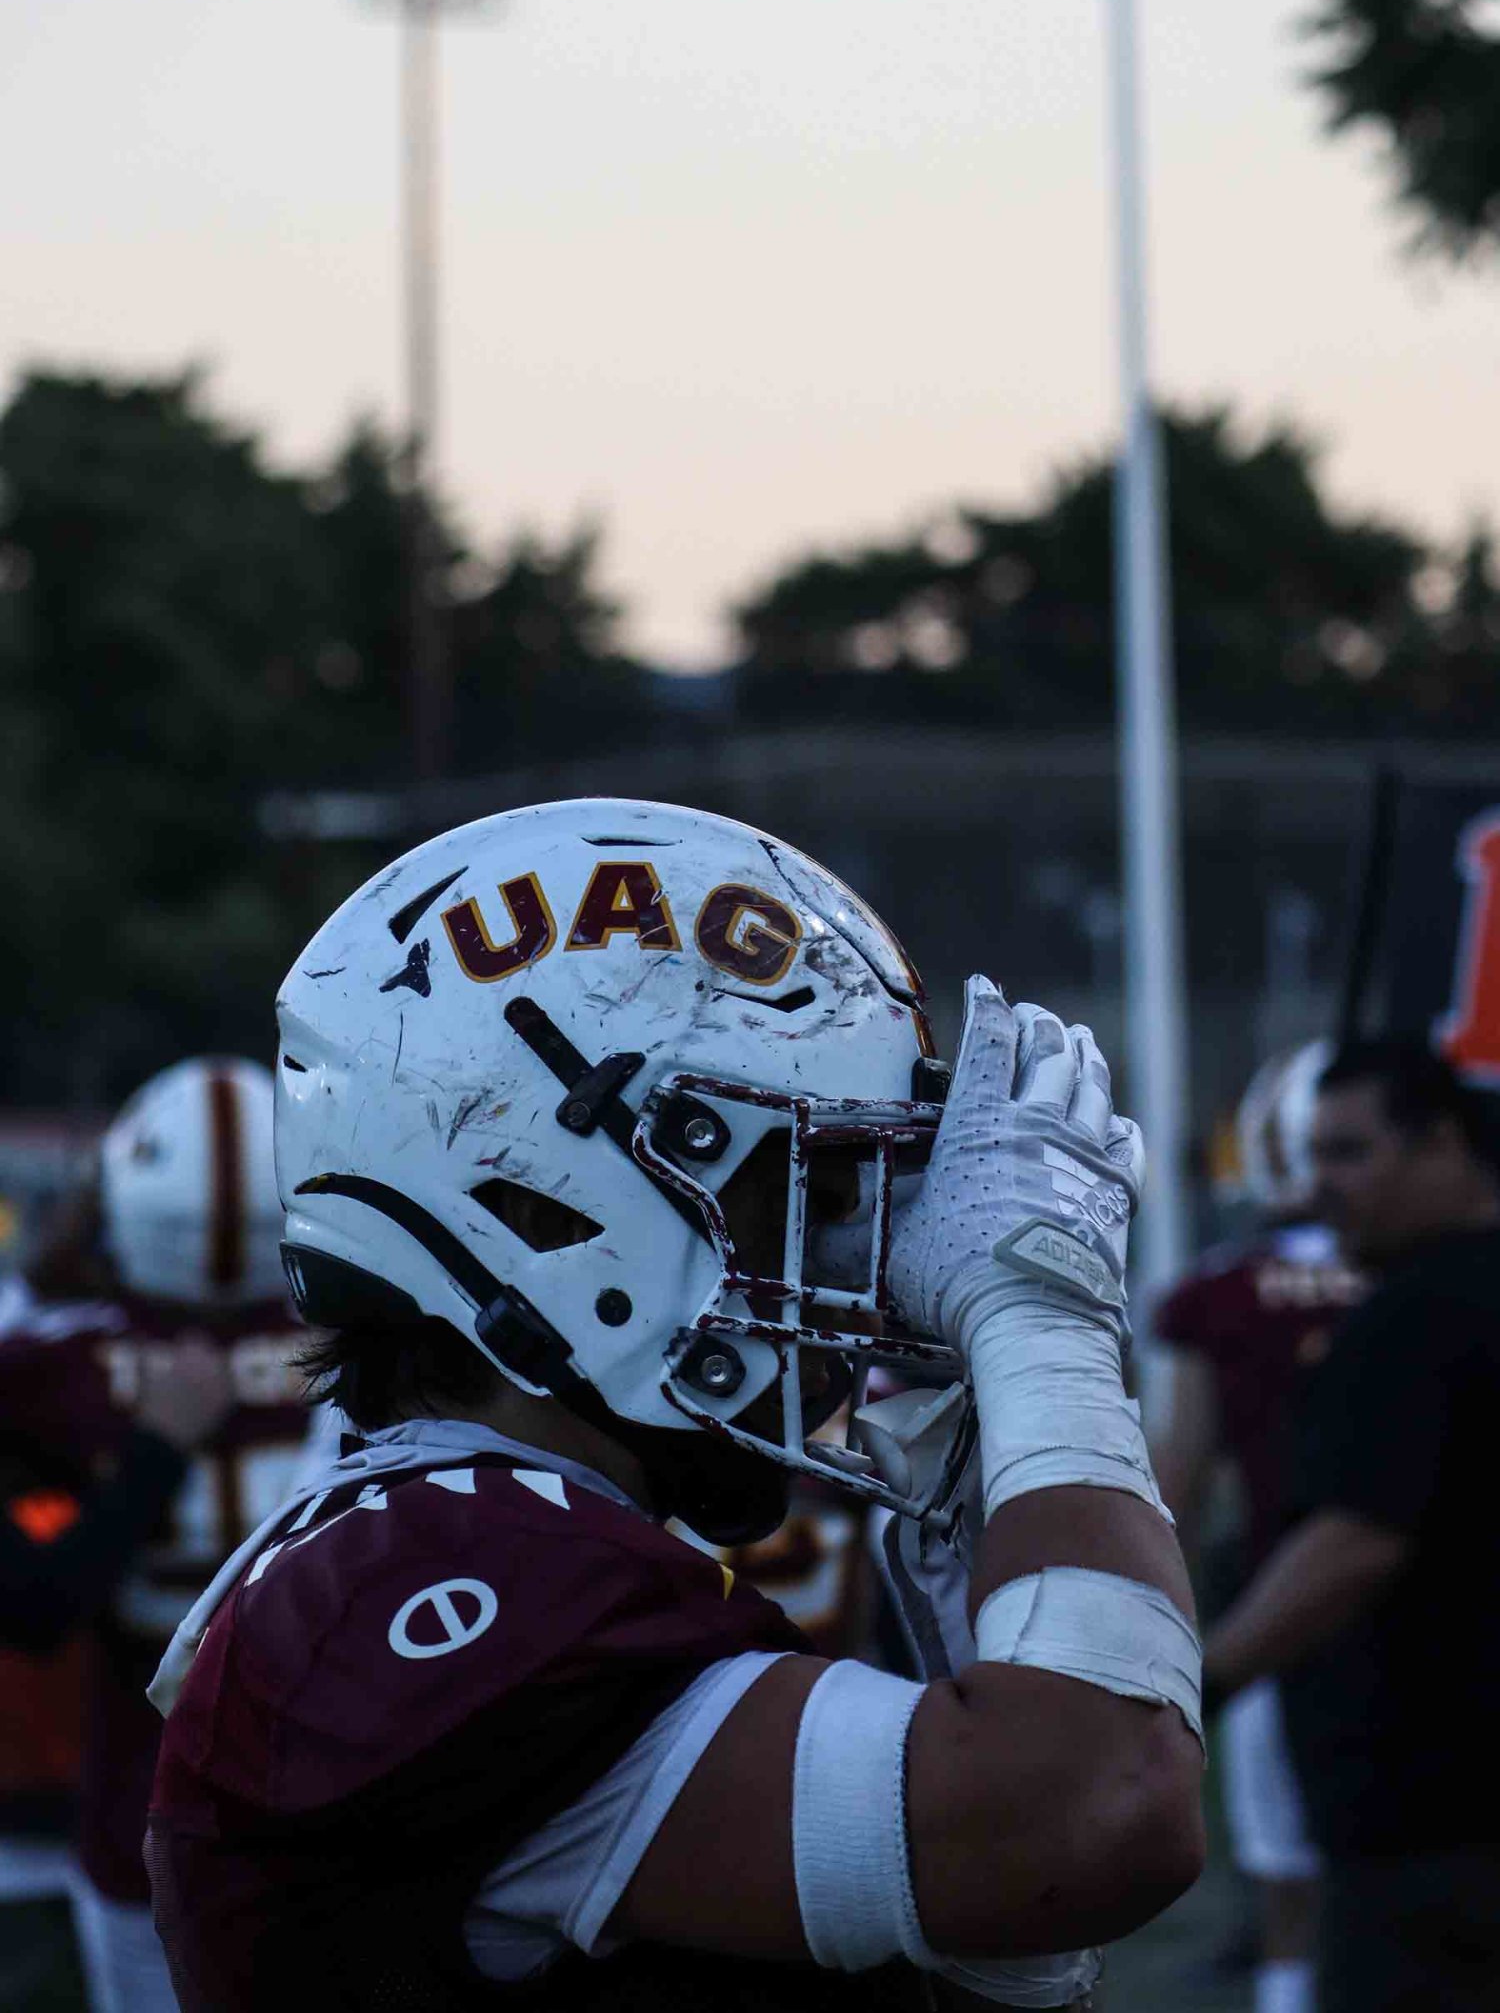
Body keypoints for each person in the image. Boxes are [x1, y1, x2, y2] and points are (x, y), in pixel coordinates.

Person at [145, 797, 1204, 2011]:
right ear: (541, 1207)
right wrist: (1043, 1315)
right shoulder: (450, 1565)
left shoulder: (486, 1544)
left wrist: (1006, 1922)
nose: (853, 1262)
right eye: (798, 1191)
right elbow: (1103, 1810)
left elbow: (1036, 1875)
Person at [0, 1057, 317, 2013]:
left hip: (144, 1805)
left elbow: (34, 1604)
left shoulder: (49, 1370)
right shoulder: (374, 1353)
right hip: (335, 1797)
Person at [1203, 1037, 1500, 2013]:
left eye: (1349, 1152)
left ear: (1442, 1144)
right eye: (1313, 1156)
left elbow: (1357, 1541)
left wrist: (1202, 1681)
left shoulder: (1414, 1319)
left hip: (1433, 1832)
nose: (1320, 1185)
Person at [1149, 1042, 1365, 2013]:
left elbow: (1181, 1475)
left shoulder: (1224, 1293)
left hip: (1283, 1613)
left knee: (1288, 1890)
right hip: (1438, 1622)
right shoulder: (1449, 1276)